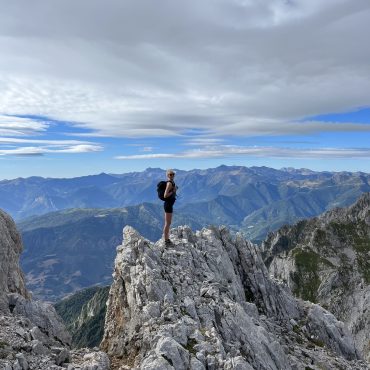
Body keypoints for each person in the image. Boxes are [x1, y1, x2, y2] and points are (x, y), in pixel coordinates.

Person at [163, 169, 177, 245]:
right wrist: (173, 191)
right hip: (168, 205)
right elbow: (165, 195)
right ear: (167, 175)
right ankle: (166, 240)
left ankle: (166, 239)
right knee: (167, 223)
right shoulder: (169, 184)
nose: (172, 176)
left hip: (169, 204)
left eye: (173, 174)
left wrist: (174, 190)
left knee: (168, 223)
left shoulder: (172, 182)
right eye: (170, 174)